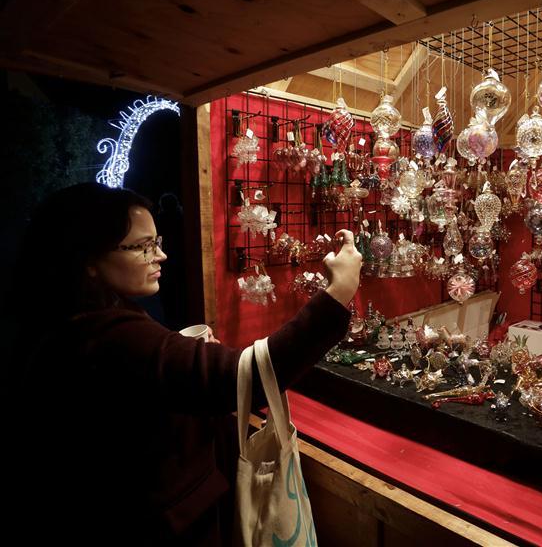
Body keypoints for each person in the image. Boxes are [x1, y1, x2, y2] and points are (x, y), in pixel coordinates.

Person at [5, 182, 361, 545]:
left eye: (156, 243)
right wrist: (338, 294)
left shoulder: (65, 326)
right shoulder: (108, 336)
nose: (160, 256)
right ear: (89, 261)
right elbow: (245, 378)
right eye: (143, 247)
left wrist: (186, 364)